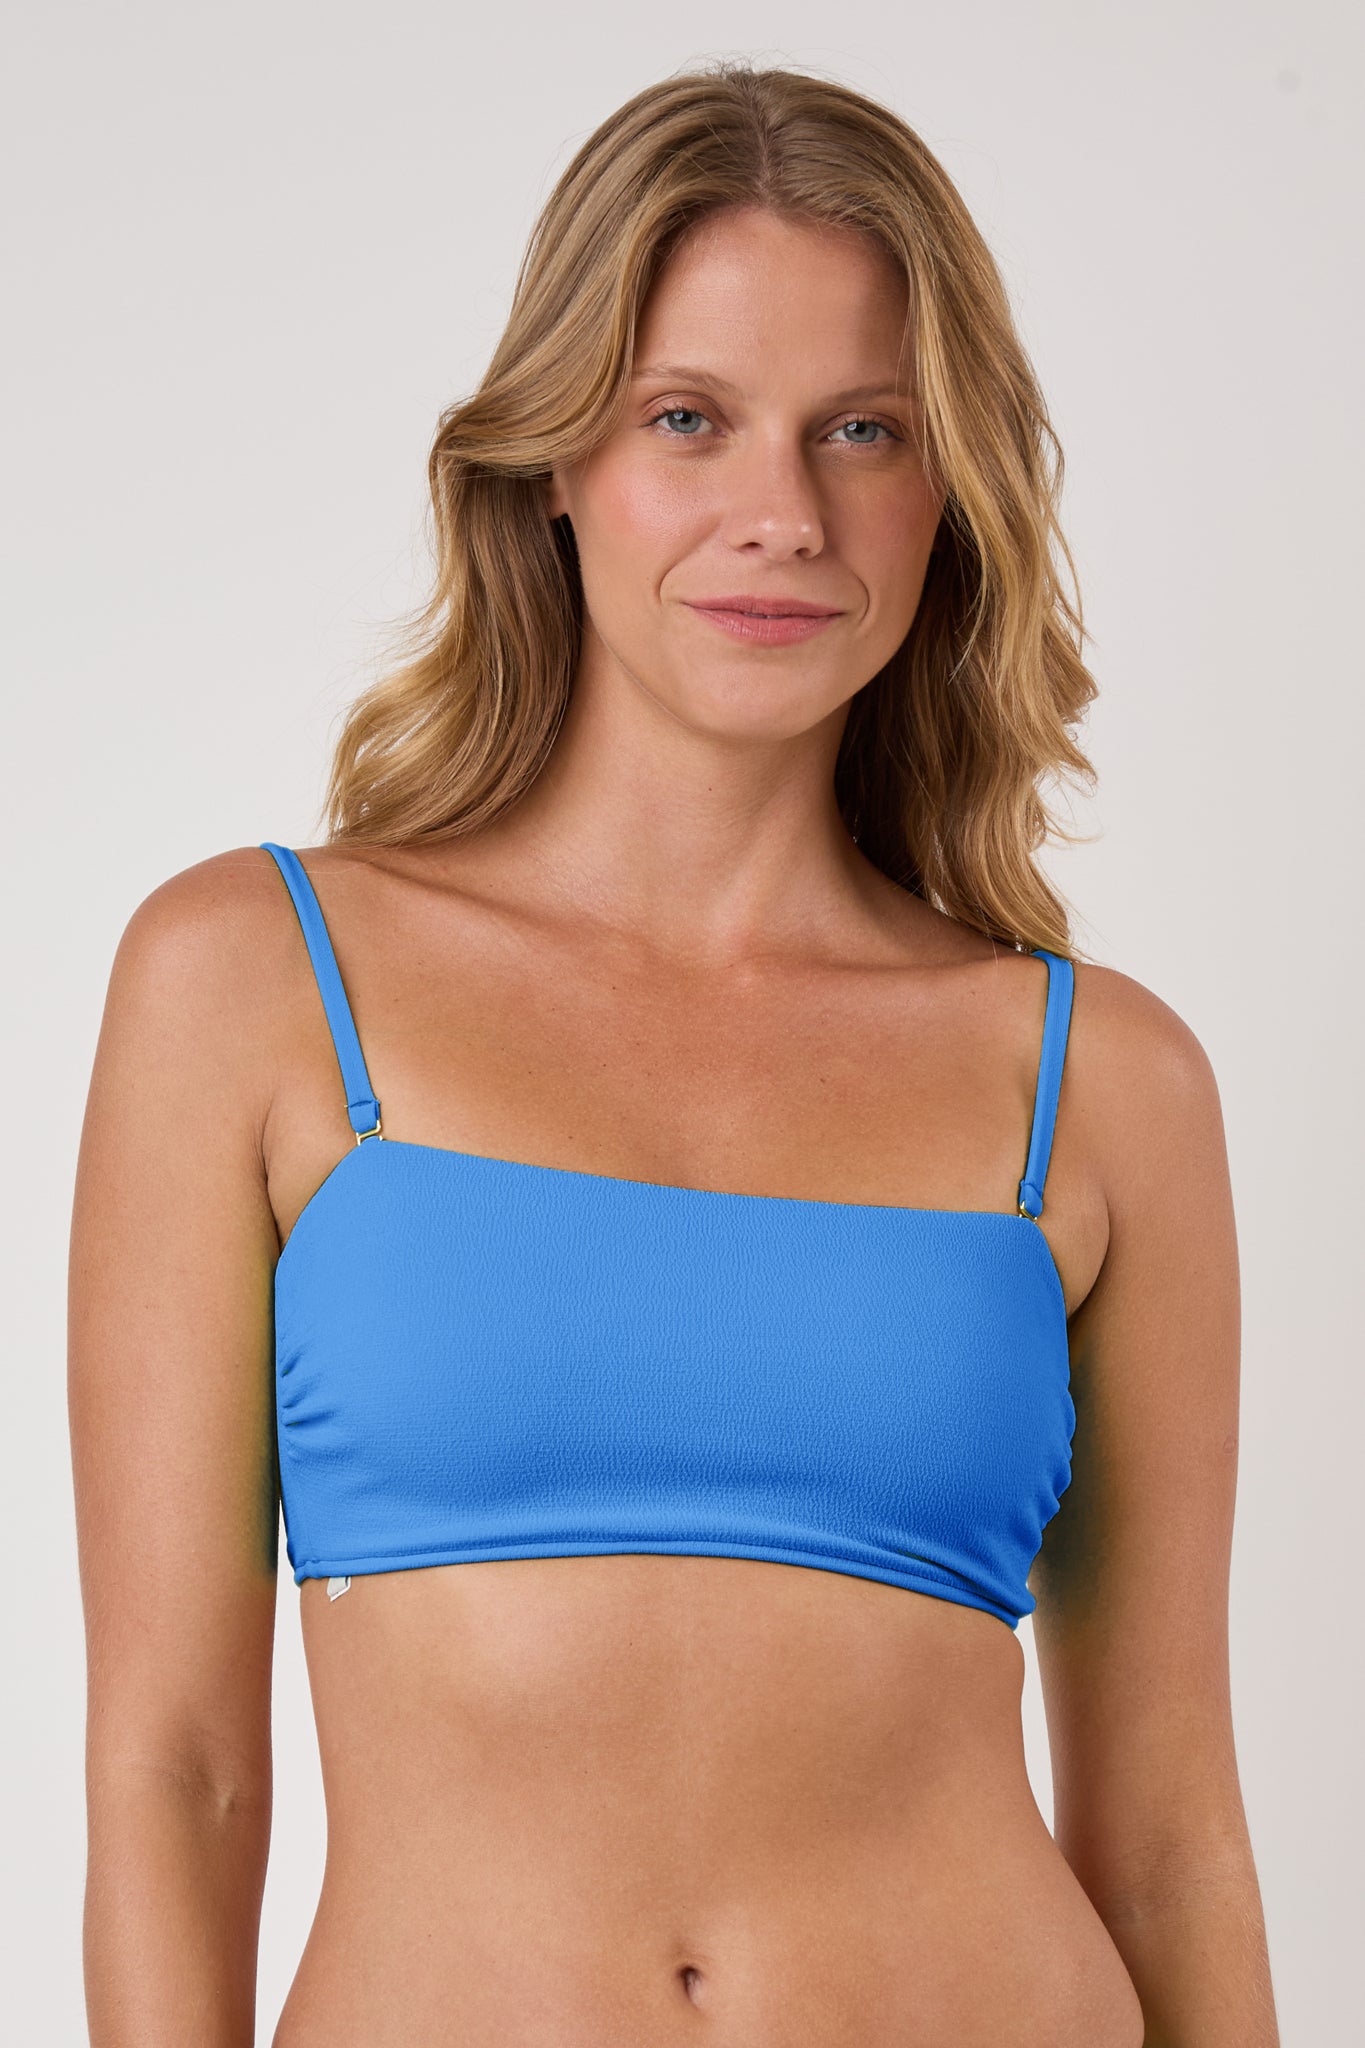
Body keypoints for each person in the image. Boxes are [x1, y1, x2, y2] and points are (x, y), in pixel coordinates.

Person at [68, 60, 1279, 2048]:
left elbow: (1165, 1843)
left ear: (948, 490)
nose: (780, 517)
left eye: (862, 429)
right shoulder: (255, 983)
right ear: (554, 461)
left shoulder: (1099, 1082)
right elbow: (173, 1769)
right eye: (686, 418)